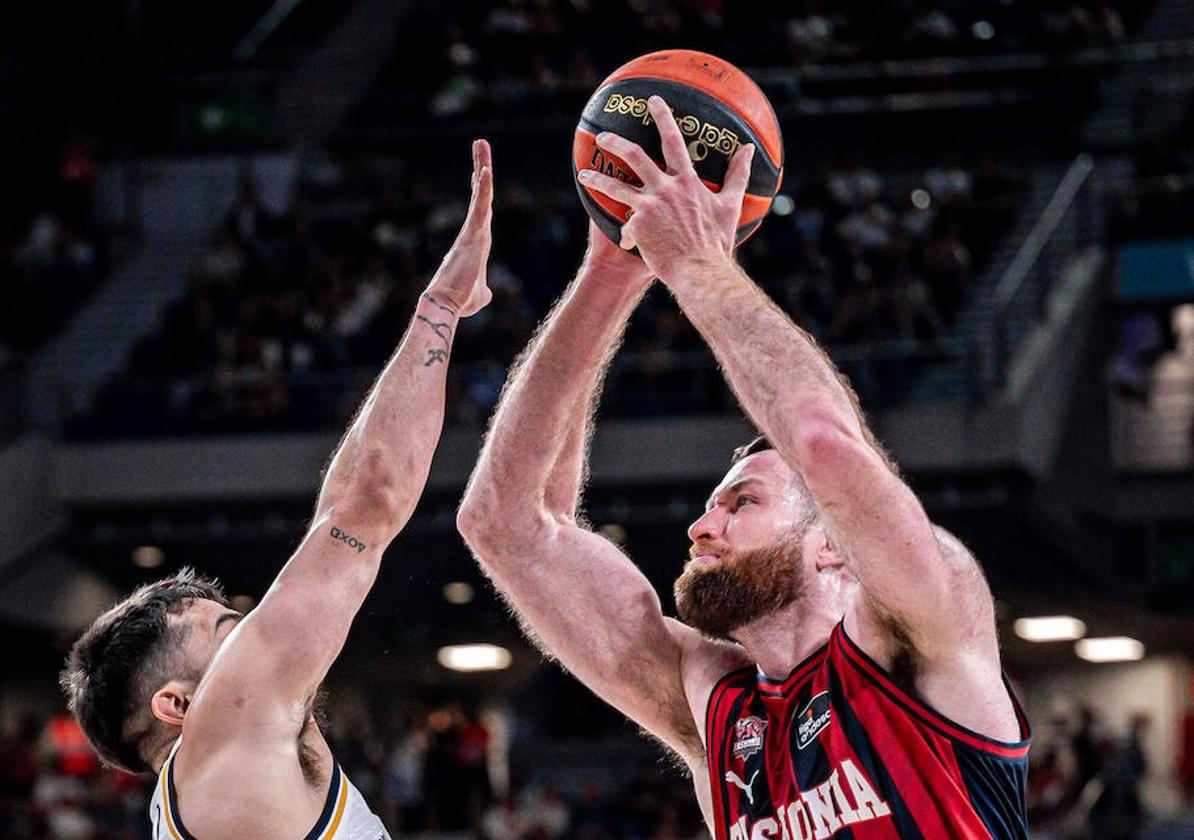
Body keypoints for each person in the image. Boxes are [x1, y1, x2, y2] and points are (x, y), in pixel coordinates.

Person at [457, 97, 1031, 839]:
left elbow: (824, 442)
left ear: (830, 545)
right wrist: (613, 268)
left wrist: (696, 264)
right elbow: (505, 523)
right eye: (713, 505)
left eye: (741, 503)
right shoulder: (712, 709)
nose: (702, 525)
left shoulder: (923, 627)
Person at [60, 140, 495, 840]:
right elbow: (372, 498)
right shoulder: (229, 735)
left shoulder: (214, 778)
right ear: (178, 704)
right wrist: (440, 306)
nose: (260, 629)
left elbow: (342, 507)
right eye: (229, 630)